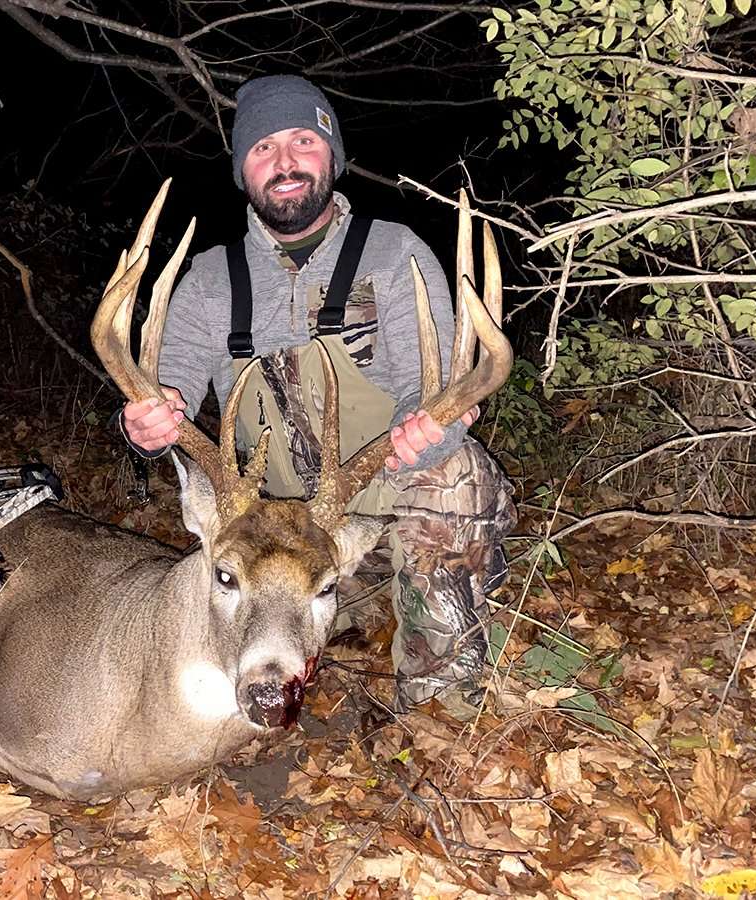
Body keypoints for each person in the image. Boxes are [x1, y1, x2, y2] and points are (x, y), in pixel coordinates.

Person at [120, 74, 515, 714]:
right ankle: (268, 655)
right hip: (267, 529)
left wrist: (432, 425)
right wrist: (150, 416)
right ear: (243, 170)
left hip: (372, 515)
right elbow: (173, 386)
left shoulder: (394, 255)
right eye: (263, 148)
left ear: (331, 154)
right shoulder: (212, 278)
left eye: (303, 140)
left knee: (453, 471)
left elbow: (433, 382)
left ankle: (441, 705)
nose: (284, 162)